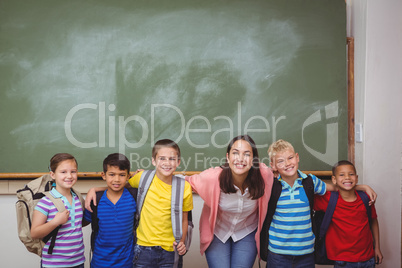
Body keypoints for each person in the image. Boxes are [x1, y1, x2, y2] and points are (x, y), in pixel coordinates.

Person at [262, 139, 377, 268]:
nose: (287, 163)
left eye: (290, 158)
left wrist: (363, 187)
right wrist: (269, 173)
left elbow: (337, 187)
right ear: (273, 165)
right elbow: (257, 173)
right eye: (280, 161)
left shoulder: (310, 182)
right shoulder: (271, 185)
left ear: (297, 157)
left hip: (306, 253)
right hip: (278, 254)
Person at [85, 139, 193, 268]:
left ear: (178, 161)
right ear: (153, 160)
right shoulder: (142, 178)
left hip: (168, 250)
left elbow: (184, 219)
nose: (167, 163)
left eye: (172, 159)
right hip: (141, 250)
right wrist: (95, 189)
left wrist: (182, 241)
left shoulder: (184, 187)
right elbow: (119, 185)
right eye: (162, 158)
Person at [186, 135, 274, 268]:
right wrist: (146, 175)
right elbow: (184, 182)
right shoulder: (213, 178)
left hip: (246, 231)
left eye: (246, 154)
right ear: (228, 157)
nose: (240, 159)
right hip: (218, 232)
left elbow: (283, 171)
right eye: (235, 153)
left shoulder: (264, 176)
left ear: (253, 160)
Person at [314, 160, 383, 268]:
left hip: (368, 258)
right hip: (342, 261)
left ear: (356, 177)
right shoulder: (328, 199)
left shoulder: (366, 198)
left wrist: (377, 248)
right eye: (342, 175)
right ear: (334, 179)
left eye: (351, 174)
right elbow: (307, 190)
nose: (347, 177)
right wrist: (364, 186)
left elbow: (373, 221)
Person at [30, 153, 85, 268]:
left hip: (78, 262)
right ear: (53, 174)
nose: (69, 176)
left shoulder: (78, 198)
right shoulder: (46, 202)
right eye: (63, 172)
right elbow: (34, 233)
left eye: (73, 171)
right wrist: (55, 222)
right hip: (53, 264)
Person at [84, 153, 136, 268]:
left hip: (127, 263)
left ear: (128, 176)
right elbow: (82, 223)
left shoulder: (134, 197)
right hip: (100, 262)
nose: (116, 180)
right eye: (112, 174)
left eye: (122, 175)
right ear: (104, 175)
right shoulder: (95, 200)